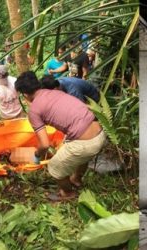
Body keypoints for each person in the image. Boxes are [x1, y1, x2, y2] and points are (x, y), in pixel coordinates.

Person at [15, 71, 106, 201]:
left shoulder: (34, 111)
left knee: (54, 167)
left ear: (24, 94)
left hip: (87, 143)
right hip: (100, 132)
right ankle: (76, 179)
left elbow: (44, 144)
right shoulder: (56, 91)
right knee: (72, 147)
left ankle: (68, 193)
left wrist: (36, 155)